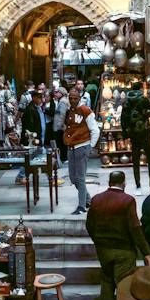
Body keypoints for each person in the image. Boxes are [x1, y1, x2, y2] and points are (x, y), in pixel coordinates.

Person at [85, 168, 150, 300]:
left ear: (109, 183)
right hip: (124, 252)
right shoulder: (127, 200)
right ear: (124, 184)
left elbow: (89, 225)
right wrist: (146, 251)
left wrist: (98, 241)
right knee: (123, 287)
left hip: (103, 250)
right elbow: (135, 228)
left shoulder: (96, 199)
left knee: (106, 284)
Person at [63, 82, 98, 213]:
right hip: (71, 147)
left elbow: (95, 130)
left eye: (75, 98)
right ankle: (88, 200)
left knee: (80, 178)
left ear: (79, 98)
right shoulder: (69, 110)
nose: (72, 100)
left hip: (82, 146)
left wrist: (90, 146)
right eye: (70, 98)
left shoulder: (85, 110)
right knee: (73, 178)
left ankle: (81, 206)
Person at [119, 80, 150, 189]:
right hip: (145, 132)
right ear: (140, 89)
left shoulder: (126, 102)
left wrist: (125, 134)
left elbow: (123, 120)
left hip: (133, 134)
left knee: (136, 160)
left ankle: (138, 185)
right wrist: (146, 115)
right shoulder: (143, 100)